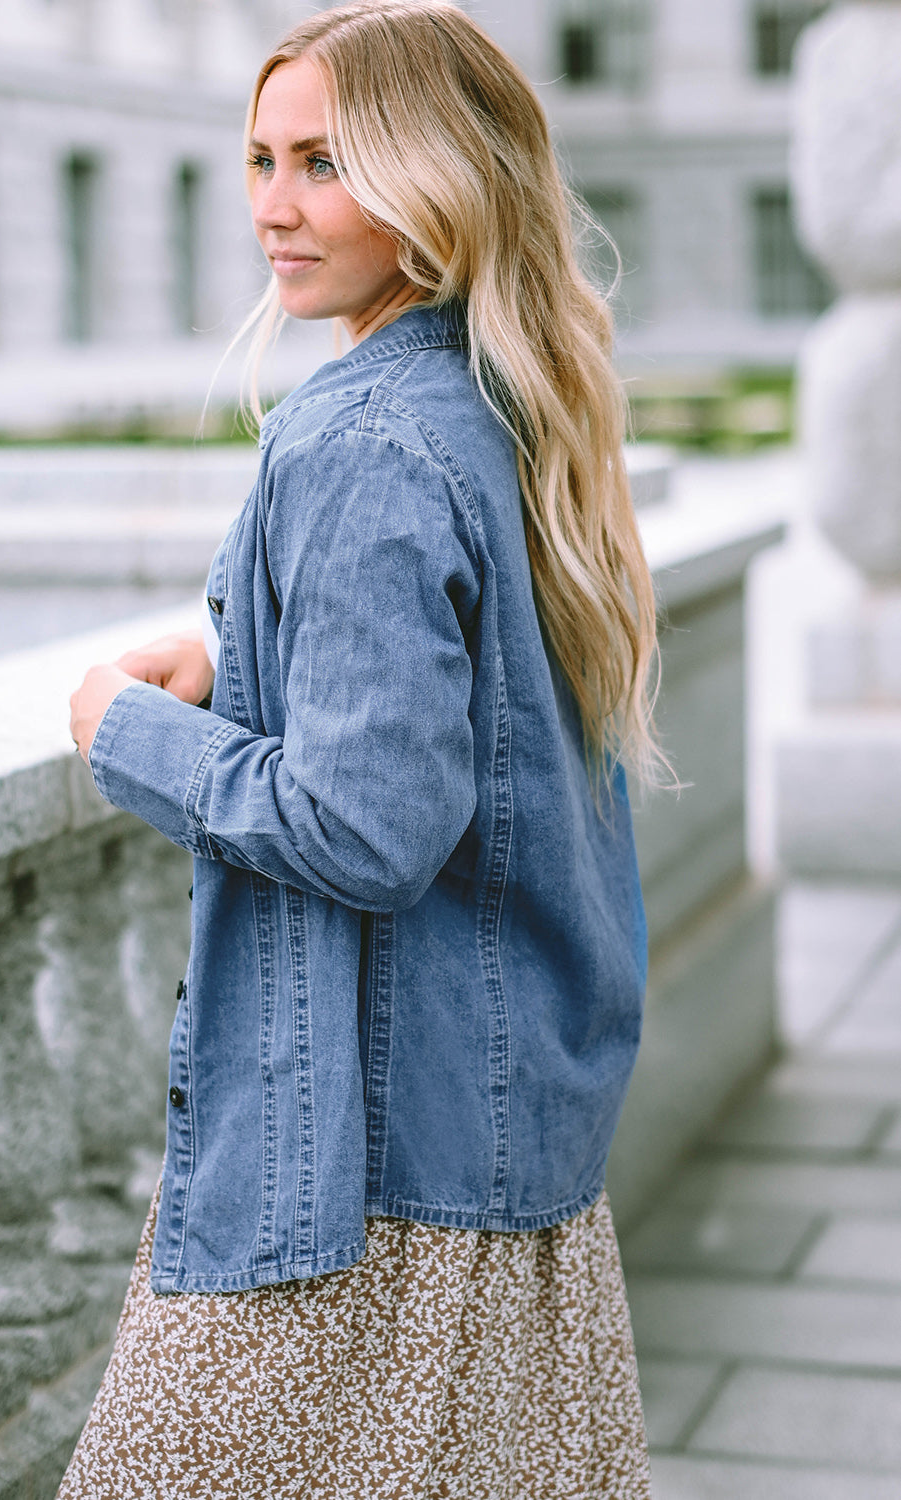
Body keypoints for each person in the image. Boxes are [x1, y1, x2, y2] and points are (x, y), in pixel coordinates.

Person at [62, 2, 663, 1494]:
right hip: (509, 1138)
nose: (274, 204)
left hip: (373, 1174)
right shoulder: (505, 399)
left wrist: (126, 731)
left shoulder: (356, 441)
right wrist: (237, 650)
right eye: (261, 157)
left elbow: (361, 824)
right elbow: (452, 688)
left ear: (434, 175)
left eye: (325, 161)